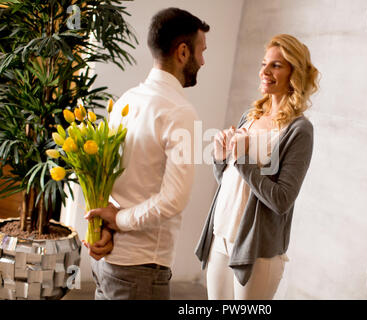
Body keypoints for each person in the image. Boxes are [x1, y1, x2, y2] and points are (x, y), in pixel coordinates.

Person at [83, 7, 209, 300]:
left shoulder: (127, 100)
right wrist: (119, 221)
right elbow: (174, 199)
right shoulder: (180, 111)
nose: (203, 61)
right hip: (140, 270)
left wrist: (106, 228)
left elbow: (108, 180)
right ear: (182, 52)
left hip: (107, 262)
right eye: (201, 51)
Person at [195, 34, 319, 300]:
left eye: (276, 65)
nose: (264, 71)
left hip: (257, 249)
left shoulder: (299, 130)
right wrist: (221, 156)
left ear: (294, 73)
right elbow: (232, 183)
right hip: (221, 235)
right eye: (264, 63)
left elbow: (282, 200)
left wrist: (242, 159)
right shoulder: (250, 116)